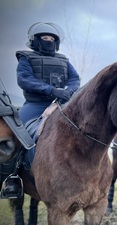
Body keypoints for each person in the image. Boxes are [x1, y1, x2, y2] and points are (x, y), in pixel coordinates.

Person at [2, 22, 80, 198]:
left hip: (62, 104)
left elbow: (75, 78)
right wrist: (50, 90)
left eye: (52, 39)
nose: (49, 41)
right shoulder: (26, 59)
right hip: (34, 106)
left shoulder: (64, 61)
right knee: (16, 135)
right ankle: (13, 178)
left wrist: (68, 91)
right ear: (35, 41)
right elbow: (24, 80)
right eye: (45, 38)